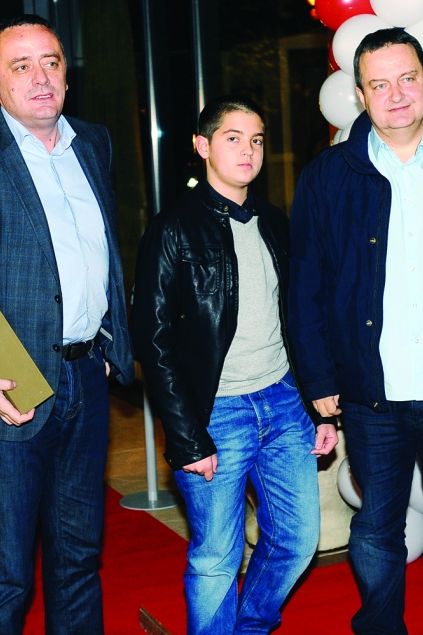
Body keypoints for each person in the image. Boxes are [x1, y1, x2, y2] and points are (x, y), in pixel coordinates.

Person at [288, 27, 423, 635]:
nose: (396, 94)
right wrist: (319, 379)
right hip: (371, 393)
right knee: (376, 530)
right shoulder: (326, 177)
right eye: (379, 84)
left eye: (407, 79)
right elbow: (305, 287)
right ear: (360, 95)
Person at [133, 95, 338, 635]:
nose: (248, 150)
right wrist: (187, 437)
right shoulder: (172, 229)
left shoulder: (274, 221)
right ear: (202, 146)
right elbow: (152, 341)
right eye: (233, 138)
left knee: (296, 539)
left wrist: (317, 407)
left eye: (257, 140)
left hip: (284, 402)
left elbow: (301, 319)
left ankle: (249, 628)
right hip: (216, 413)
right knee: (216, 557)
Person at [0, 14, 134, 634]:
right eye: (20, 66)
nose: (40, 77)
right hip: (10, 385)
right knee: (6, 574)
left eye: (50, 62)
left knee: (78, 557)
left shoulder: (93, 143)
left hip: (87, 376)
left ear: (67, 76)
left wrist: (111, 342)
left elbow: (101, 252)